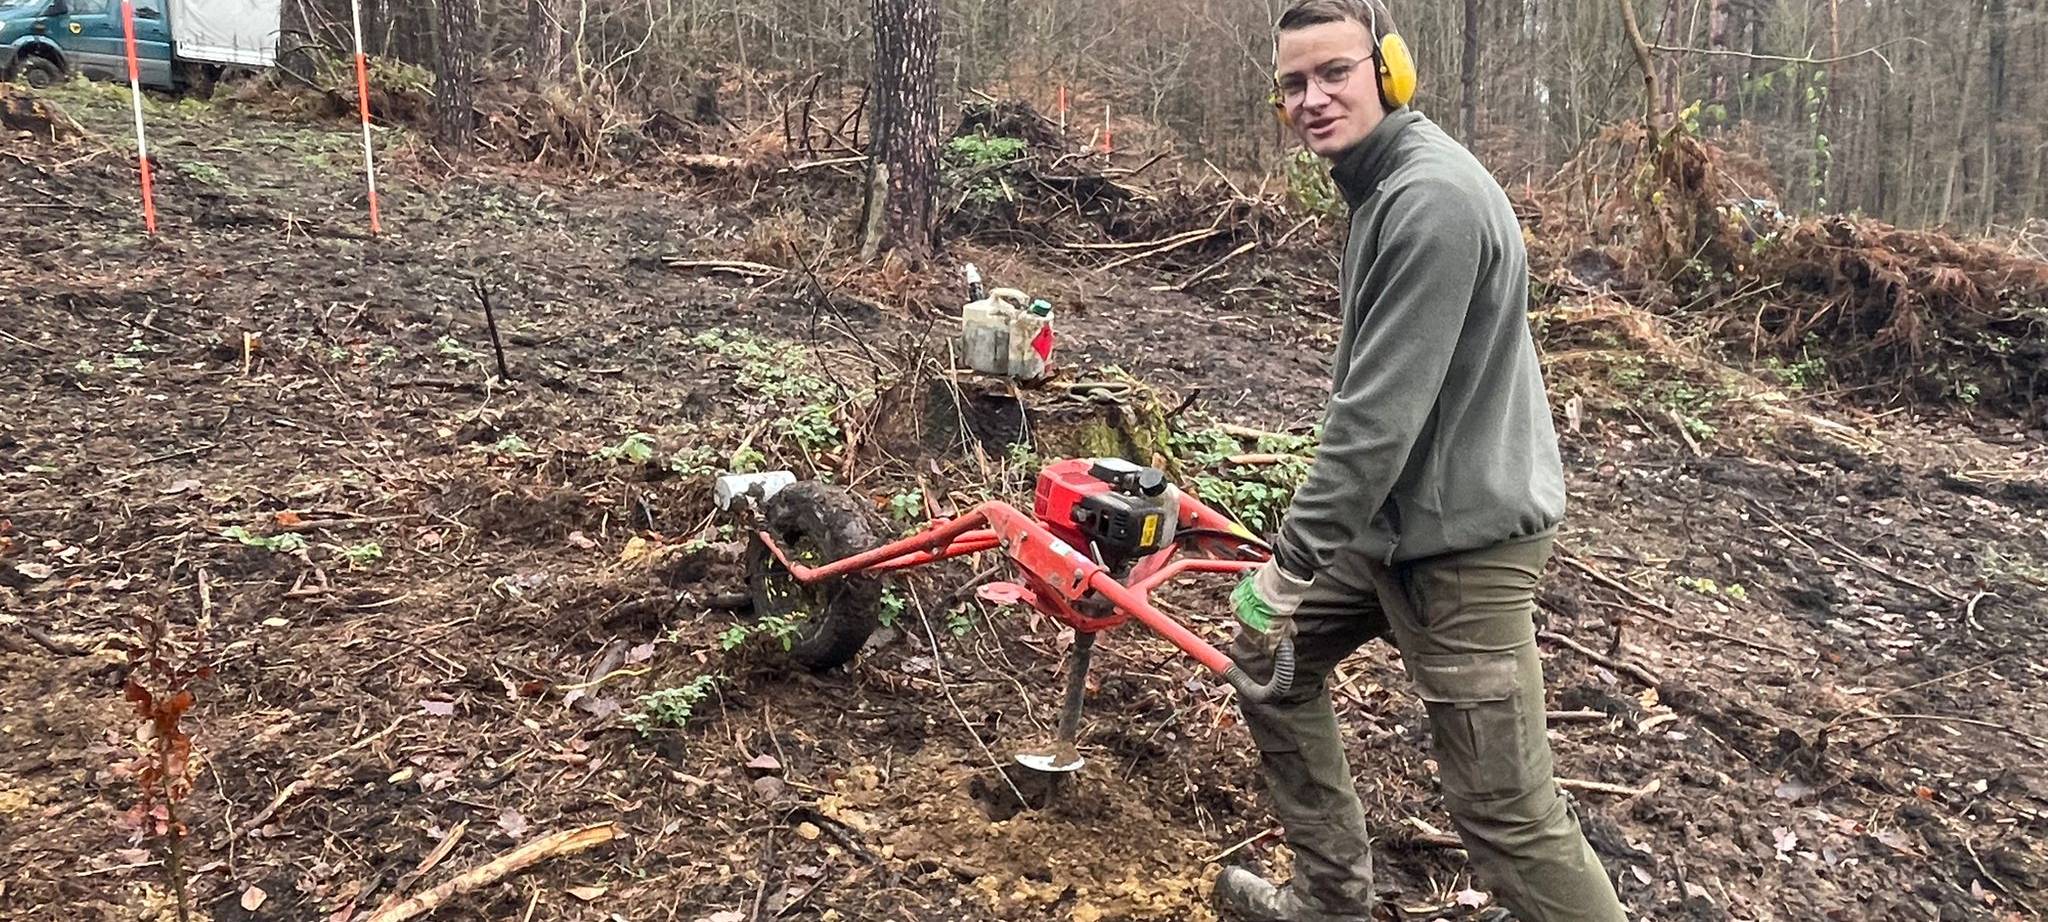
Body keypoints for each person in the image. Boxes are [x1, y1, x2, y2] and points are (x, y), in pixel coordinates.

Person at [1216, 2, 1629, 920]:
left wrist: (1287, 568)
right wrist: (1289, 588)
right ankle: (1330, 901)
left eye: (1335, 73)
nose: (1315, 99)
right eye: (1294, 84)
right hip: (1396, 523)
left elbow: (1373, 424)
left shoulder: (1429, 200)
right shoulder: (1380, 187)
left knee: (1508, 816)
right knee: (1266, 665)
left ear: (1389, 70)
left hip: (1464, 546)